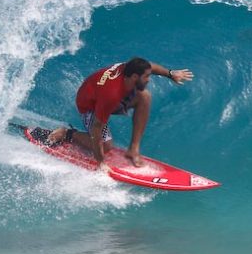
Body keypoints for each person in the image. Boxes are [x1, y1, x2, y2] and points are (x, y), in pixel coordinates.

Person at [47, 57, 193, 172]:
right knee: (106, 146)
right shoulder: (111, 94)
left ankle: (133, 149)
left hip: (107, 94)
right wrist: (101, 162)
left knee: (145, 96)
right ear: (135, 77)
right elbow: (97, 128)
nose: (149, 79)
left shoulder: (129, 70)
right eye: (146, 77)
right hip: (89, 105)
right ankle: (67, 134)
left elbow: (149, 66)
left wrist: (170, 74)